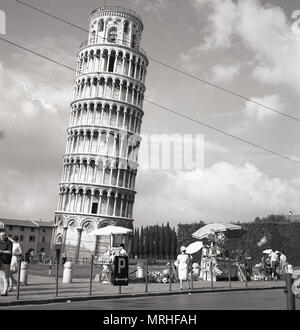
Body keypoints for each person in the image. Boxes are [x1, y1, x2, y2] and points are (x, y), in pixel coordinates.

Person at [0, 231, 13, 296]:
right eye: (0, 236)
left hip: (6, 262)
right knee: (1, 277)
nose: (1, 237)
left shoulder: (9, 242)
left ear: (5, 236)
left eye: (2, 236)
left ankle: (5, 291)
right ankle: (2, 290)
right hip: (1, 261)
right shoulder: (0, 242)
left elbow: (10, 252)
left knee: (5, 277)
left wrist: (2, 251)